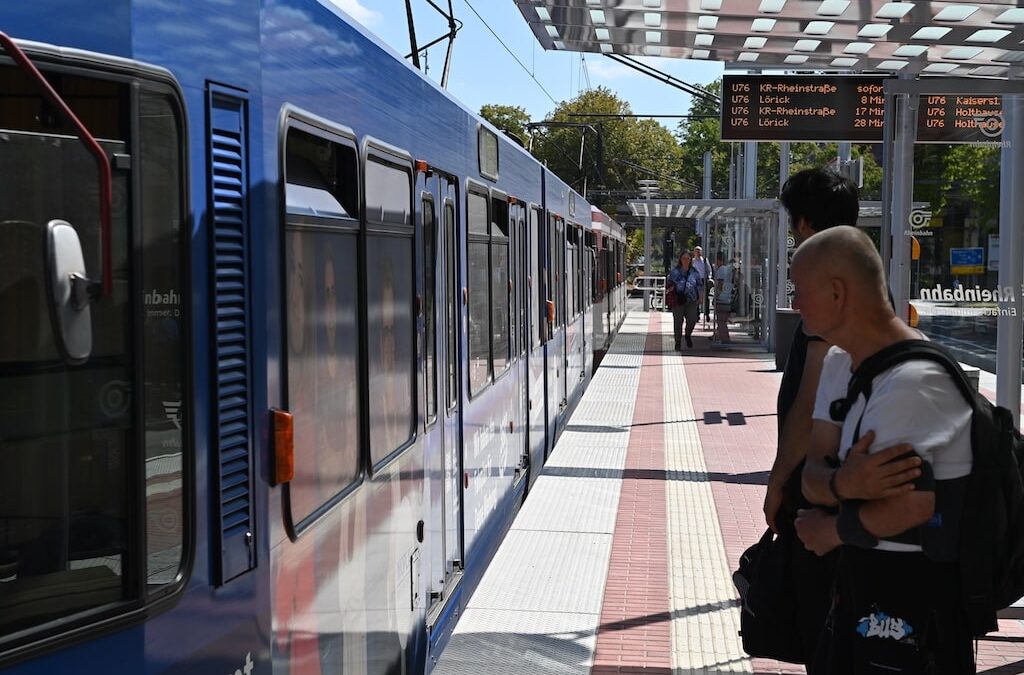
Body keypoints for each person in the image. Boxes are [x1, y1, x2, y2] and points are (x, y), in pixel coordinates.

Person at [793, 226, 974, 673]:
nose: (794, 303)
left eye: (799, 290)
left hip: (913, 603)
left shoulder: (915, 383)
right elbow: (813, 471)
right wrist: (842, 484)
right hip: (863, 589)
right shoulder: (843, 363)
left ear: (837, 293)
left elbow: (911, 507)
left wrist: (831, 528)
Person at [665, 250, 702, 350]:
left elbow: (699, 285)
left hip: (692, 300)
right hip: (678, 300)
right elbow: (668, 284)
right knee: (678, 322)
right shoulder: (675, 272)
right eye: (684, 258)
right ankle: (678, 342)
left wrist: (701, 297)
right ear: (680, 260)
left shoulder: (694, 272)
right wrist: (671, 288)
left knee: (692, 320)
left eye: (688, 258)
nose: (686, 260)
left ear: (691, 260)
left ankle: (688, 334)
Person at [712, 252, 733, 344]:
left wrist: (715, 297)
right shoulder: (728, 269)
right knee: (722, 320)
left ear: (719, 260)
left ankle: (724, 339)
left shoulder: (721, 270)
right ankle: (718, 335)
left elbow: (720, 284)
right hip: (728, 297)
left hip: (722, 298)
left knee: (721, 320)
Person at [691, 245, 711, 321]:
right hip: (695, 281)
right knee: (696, 298)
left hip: (703, 280)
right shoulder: (693, 261)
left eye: (699, 251)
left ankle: (707, 314)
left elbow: (709, 270)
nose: (698, 253)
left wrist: (709, 277)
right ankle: (697, 315)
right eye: (697, 251)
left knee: (705, 298)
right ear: (694, 253)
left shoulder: (705, 261)